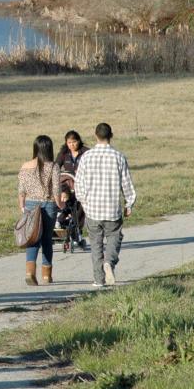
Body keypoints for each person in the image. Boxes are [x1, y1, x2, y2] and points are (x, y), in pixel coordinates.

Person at [74, 122, 137, 288]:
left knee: (95, 244)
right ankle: (109, 261)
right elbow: (127, 184)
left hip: (92, 210)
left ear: (95, 136)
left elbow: (78, 183)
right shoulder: (118, 156)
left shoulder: (86, 157)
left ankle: (99, 279)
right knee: (115, 237)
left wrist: (83, 201)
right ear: (111, 136)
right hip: (112, 209)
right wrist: (129, 203)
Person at [18, 135, 63, 286]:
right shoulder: (54, 166)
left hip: (30, 204)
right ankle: (46, 276)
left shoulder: (25, 166)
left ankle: (30, 272)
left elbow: (21, 190)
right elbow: (56, 190)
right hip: (48, 204)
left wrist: (22, 205)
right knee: (46, 240)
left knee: (32, 237)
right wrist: (60, 205)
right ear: (49, 148)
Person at [55, 130, 88, 248]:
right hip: (67, 184)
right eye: (69, 143)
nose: (72, 145)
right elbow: (56, 166)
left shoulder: (86, 152)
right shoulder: (64, 153)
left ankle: (76, 233)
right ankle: (61, 219)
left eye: (74, 142)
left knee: (79, 208)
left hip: (81, 185)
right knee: (66, 200)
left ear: (78, 141)